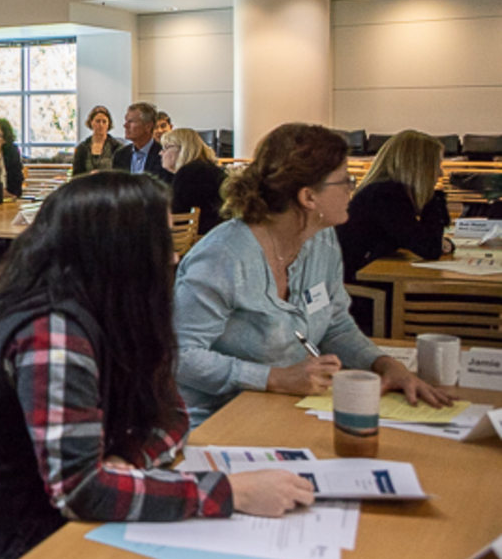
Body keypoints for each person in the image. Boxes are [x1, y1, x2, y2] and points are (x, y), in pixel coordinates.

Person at [0, 172, 316, 559]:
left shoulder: (110, 316)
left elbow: (172, 417)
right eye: (158, 244)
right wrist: (232, 492)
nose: (173, 256)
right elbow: (80, 492)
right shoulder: (52, 331)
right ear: (118, 254)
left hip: (37, 537)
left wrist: (127, 459)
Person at [173, 123, 451, 428]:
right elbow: (182, 356)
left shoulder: (321, 238)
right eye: (345, 181)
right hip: (215, 419)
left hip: (287, 407)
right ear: (308, 197)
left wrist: (383, 364)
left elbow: (335, 324)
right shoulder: (222, 257)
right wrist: (275, 378)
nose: (352, 189)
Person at [336, 130, 451, 283]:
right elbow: (430, 249)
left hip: (361, 276)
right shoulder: (386, 195)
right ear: (419, 167)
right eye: (436, 165)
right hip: (356, 289)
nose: (440, 174)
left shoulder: (384, 191)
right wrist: (433, 199)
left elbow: (418, 239)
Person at [160, 127, 227, 235]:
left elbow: (177, 214)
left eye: (166, 147)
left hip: (194, 239)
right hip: (215, 235)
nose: (161, 153)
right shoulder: (207, 168)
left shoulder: (189, 173)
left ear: (182, 149)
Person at [111, 101, 173, 183]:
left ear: (148, 126)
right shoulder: (120, 155)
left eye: (131, 122)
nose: (125, 126)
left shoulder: (164, 155)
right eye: (126, 121)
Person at [71, 105, 123, 177]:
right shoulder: (82, 148)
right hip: (87, 186)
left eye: (104, 122)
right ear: (91, 123)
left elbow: (121, 175)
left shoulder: (117, 147)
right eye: (97, 121)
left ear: (109, 124)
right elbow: (76, 176)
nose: (101, 125)